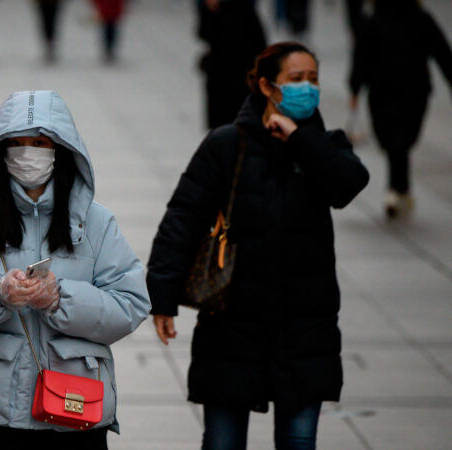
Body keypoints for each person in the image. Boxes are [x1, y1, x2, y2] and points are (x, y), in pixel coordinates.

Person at [147, 43, 369, 449]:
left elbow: (348, 185)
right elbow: (182, 219)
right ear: (267, 86)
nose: (309, 88)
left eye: (314, 79)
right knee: (222, 443)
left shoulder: (326, 145)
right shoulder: (227, 144)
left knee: (298, 442)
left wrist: (301, 139)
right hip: (232, 323)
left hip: (305, 326)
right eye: (297, 80)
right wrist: (162, 297)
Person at [0, 90, 150, 448]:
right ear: (0, 150)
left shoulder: (97, 222)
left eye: (40, 142)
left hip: (75, 412)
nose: (28, 153)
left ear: (61, 148)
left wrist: (61, 299)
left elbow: (131, 304)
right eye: (17, 143)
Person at [349, 0, 452, 219]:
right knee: (394, 140)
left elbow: (442, 51)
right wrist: (355, 87)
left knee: (401, 140)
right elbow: (361, 56)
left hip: (407, 91)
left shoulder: (419, 18)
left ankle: (397, 189)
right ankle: (398, 189)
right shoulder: (374, 20)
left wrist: (355, 87)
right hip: (389, 91)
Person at [197, 0, 266, 129]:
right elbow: (203, 33)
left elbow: (259, 41)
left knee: (234, 123)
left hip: (235, 74)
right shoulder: (216, 9)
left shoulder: (241, 9)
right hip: (221, 74)